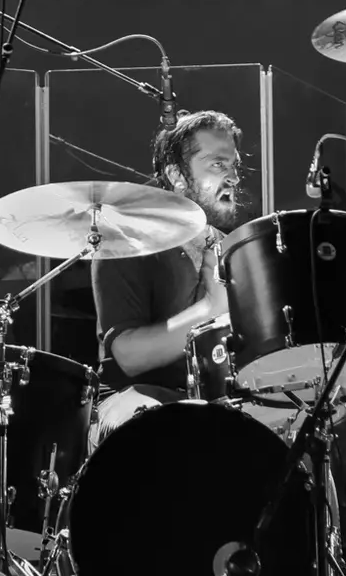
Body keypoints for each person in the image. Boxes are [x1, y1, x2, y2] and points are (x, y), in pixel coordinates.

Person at [89, 109, 245, 449]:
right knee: (169, 431)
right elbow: (129, 356)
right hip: (133, 403)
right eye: (218, 164)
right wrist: (211, 309)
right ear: (177, 174)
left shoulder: (234, 249)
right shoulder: (127, 240)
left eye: (234, 165)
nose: (232, 177)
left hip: (216, 403)